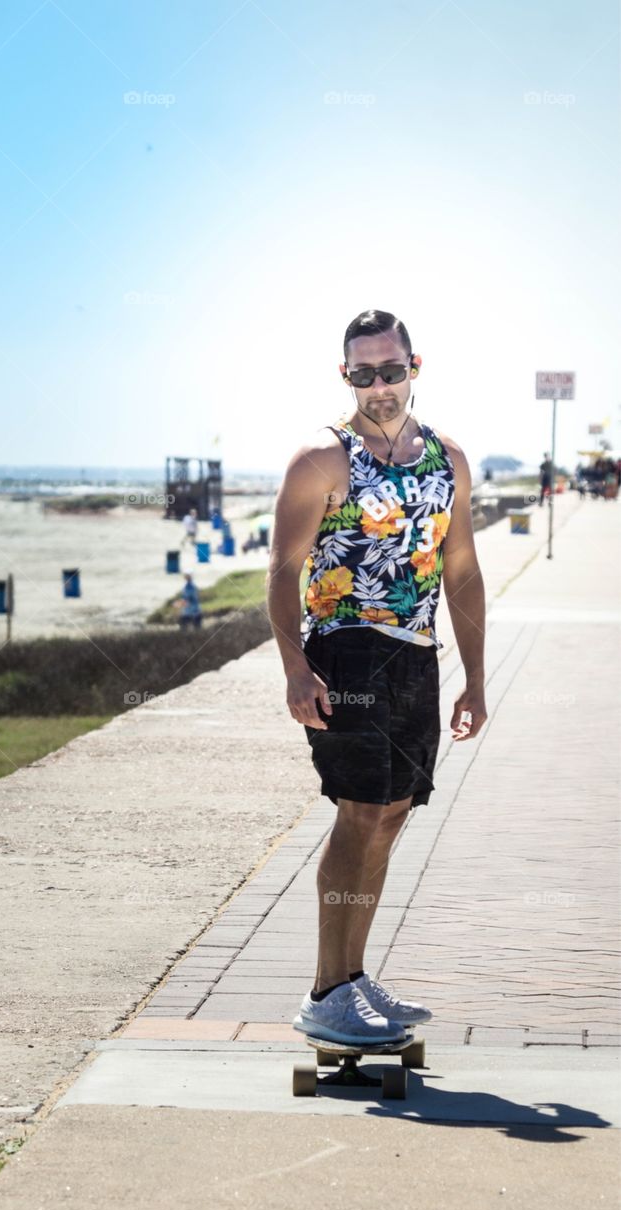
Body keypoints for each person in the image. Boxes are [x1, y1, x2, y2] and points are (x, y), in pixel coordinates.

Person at [267, 309, 487, 1047]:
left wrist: (476, 679)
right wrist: (295, 667)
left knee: (393, 811)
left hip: (414, 653)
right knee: (359, 809)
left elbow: (460, 570)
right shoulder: (320, 460)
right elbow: (283, 570)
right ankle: (327, 990)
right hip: (345, 650)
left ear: (413, 367)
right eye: (363, 374)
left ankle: (351, 978)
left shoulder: (447, 460)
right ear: (345, 376)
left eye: (390, 371)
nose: (379, 387)